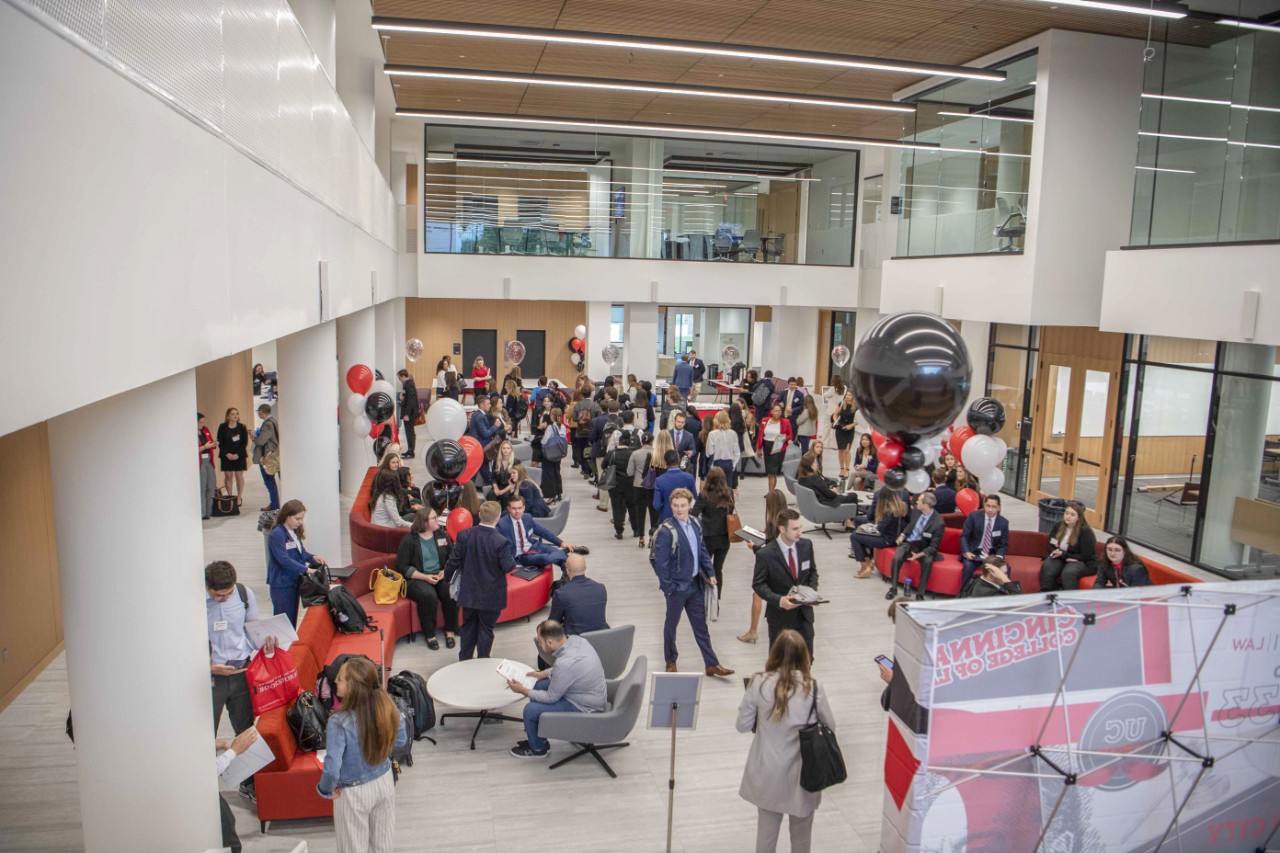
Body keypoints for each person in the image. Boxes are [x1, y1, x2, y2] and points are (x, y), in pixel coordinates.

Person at [736, 629, 835, 853]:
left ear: (774, 653)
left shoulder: (759, 682)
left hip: (767, 773)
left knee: (766, 839)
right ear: (804, 656)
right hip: (803, 777)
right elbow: (831, 726)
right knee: (801, 841)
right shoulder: (813, 688)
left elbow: (742, 725)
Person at [316, 657, 409, 853]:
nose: (335, 682)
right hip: (384, 782)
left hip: (352, 793)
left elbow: (332, 768)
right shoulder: (387, 705)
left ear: (352, 686)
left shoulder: (339, 721)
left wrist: (325, 790)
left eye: (340, 678)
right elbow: (401, 740)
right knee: (383, 846)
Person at [652, 488, 735, 677]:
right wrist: (668, 588)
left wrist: (710, 571)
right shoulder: (667, 531)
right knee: (671, 625)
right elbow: (661, 563)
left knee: (701, 627)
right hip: (677, 588)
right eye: (675, 506)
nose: (679, 509)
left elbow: (702, 550)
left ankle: (711, 663)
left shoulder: (696, 523)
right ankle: (670, 660)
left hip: (695, 584)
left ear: (690, 505)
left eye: (682, 505)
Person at [506, 619, 608, 758]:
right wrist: (542, 674)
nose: (540, 644)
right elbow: (567, 669)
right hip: (585, 691)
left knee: (530, 710)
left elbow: (551, 697)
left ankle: (537, 749)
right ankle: (538, 738)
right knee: (536, 685)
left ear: (549, 642)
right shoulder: (577, 640)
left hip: (584, 705)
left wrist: (522, 690)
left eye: (540, 642)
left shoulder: (564, 664)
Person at [206, 560, 263, 803]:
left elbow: (252, 629)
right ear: (207, 588)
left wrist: (261, 645)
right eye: (219, 595)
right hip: (212, 680)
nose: (224, 599)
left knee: (246, 730)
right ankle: (203, 785)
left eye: (228, 594)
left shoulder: (244, 594)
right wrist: (207, 667)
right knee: (205, 733)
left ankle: (248, 784)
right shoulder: (193, 603)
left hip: (241, 673)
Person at [444, 501, 515, 660]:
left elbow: (453, 561)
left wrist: (447, 579)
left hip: (468, 591)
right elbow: (508, 566)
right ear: (498, 517)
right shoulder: (501, 541)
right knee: (486, 629)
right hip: (491, 595)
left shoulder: (465, 535)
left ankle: (464, 659)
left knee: (468, 627)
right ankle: (483, 660)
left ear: (479, 516)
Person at [751, 510, 819, 658]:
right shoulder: (766, 554)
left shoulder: (806, 546)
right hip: (780, 619)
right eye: (795, 529)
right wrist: (779, 600)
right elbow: (758, 584)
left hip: (804, 616)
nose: (800, 532)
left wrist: (810, 592)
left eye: (801, 527)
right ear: (782, 529)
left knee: (806, 660)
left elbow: (812, 572)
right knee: (779, 664)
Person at [395, 509, 458, 650]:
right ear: (424, 522)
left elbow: (452, 557)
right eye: (434, 518)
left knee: (450, 591)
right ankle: (430, 635)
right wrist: (425, 577)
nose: (438, 520)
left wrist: (444, 571)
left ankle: (450, 631)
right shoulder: (409, 540)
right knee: (428, 596)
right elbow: (402, 567)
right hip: (418, 577)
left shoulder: (441, 534)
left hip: (439, 574)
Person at [266, 499, 328, 625]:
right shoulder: (277, 534)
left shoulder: (292, 532)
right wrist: (307, 570)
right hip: (282, 584)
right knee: (283, 621)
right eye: (297, 518)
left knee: (292, 619)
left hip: (294, 581)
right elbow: (284, 559)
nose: (300, 522)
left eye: (302, 518)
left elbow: (301, 553)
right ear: (286, 516)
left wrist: (312, 557)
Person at [739, 489, 788, 644]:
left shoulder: (773, 522)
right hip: (783, 564)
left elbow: (768, 551)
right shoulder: (786, 519)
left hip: (769, 566)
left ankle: (753, 631)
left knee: (758, 593)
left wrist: (754, 547)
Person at [496, 494, 582, 571]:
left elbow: (543, 532)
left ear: (524, 508)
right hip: (522, 555)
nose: (517, 511)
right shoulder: (502, 524)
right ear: (508, 509)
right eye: (514, 508)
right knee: (545, 559)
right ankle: (564, 551)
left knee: (561, 558)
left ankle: (566, 577)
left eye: (519, 508)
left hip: (535, 546)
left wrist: (561, 543)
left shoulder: (527, 517)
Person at [887, 492, 944, 601]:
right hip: (909, 542)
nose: (916, 501)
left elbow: (933, 546)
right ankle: (893, 588)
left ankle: (920, 593)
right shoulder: (916, 511)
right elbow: (910, 525)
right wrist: (902, 535)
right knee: (896, 558)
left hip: (924, 547)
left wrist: (918, 555)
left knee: (928, 562)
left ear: (926, 505)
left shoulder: (938, 523)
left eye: (919, 500)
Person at [691, 467, 735, 597]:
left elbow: (694, 514)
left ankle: (704, 595)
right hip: (724, 537)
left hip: (708, 537)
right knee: (718, 569)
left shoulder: (704, 495)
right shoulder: (729, 493)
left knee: (705, 568)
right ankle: (717, 598)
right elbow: (730, 511)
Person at [850, 488, 910, 579]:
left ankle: (864, 566)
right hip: (896, 536)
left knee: (854, 536)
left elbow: (881, 528)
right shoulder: (902, 506)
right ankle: (868, 563)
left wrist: (872, 527)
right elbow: (909, 521)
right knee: (858, 534)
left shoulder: (889, 512)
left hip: (887, 539)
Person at [1040, 501, 1099, 591]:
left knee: (1068, 573)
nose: (1068, 516)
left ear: (1078, 517)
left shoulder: (1085, 532)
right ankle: (1049, 594)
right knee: (1048, 566)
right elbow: (1050, 544)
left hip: (1083, 561)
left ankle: (1070, 598)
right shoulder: (1058, 526)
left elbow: (1086, 556)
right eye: (1066, 513)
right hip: (1062, 557)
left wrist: (1065, 555)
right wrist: (1054, 551)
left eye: (1072, 515)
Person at [548, 555, 608, 636]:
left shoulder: (561, 593)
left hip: (576, 641)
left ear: (567, 570)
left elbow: (553, 623)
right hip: (601, 638)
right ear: (585, 568)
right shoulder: (601, 588)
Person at [960, 494, 1010, 590]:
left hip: (992, 554)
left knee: (1006, 567)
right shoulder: (973, 516)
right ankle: (963, 594)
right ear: (984, 505)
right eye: (988, 506)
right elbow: (964, 536)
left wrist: (999, 557)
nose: (990, 509)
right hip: (974, 552)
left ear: (999, 507)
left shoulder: (1003, 523)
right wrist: (966, 551)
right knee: (968, 566)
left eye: (994, 506)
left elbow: (1003, 545)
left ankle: (1001, 594)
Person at [605, 411, 643, 540]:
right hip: (632, 479)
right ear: (633, 419)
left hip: (615, 480)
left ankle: (619, 530)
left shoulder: (616, 433)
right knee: (633, 505)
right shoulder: (639, 433)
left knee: (617, 507)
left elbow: (608, 452)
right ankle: (636, 529)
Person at [757, 402, 794, 494]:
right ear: (771, 412)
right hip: (767, 446)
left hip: (778, 447)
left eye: (780, 411)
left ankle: (771, 493)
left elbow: (790, 435)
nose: (778, 413)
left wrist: (785, 438)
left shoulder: (785, 422)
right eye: (776, 411)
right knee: (769, 472)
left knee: (773, 472)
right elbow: (761, 435)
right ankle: (771, 492)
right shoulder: (765, 420)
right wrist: (759, 448)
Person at [216, 407, 249, 506]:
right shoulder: (222, 427)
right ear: (228, 416)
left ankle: (239, 497)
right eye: (233, 414)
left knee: (239, 476)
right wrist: (227, 454)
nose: (235, 416)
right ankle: (230, 496)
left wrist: (237, 454)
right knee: (228, 476)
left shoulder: (242, 427)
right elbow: (220, 442)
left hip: (239, 455)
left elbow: (244, 442)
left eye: (237, 414)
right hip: (226, 456)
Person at [653, 450, 696, 525]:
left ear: (665, 462)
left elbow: (657, 505)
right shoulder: (689, 478)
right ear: (679, 460)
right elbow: (694, 499)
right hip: (685, 517)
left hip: (667, 519)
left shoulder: (659, 481)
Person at [251, 403, 280, 512]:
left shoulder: (267, 424)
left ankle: (275, 505)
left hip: (268, 457)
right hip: (274, 455)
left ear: (261, 411)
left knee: (269, 481)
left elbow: (261, 441)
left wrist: (253, 437)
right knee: (271, 481)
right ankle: (274, 504)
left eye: (258, 411)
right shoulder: (273, 421)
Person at [466, 395, 501, 485]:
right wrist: (495, 426)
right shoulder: (481, 417)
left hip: (477, 448)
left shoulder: (475, 414)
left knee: (480, 472)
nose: (490, 406)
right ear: (482, 405)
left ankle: (469, 490)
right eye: (488, 404)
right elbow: (485, 434)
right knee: (480, 473)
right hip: (481, 448)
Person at [704, 410, 741, 491]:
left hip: (717, 463)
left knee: (716, 488)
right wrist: (734, 464)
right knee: (728, 488)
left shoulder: (712, 434)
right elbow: (737, 452)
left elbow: (709, 452)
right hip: (729, 463)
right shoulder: (733, 433)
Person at [540, 406, 566, 503]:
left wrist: (542, 444)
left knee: (548, 473)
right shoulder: (562, 427)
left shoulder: (550, 427)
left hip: (550, 453)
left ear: (552, 416)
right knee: (557, 471)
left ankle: (551, 495)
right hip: (559, 452)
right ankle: (559, 492)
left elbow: (545, 440)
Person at [831, 391, 858, 479]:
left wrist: (851, 425)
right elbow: (835, 415)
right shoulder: (842, 403)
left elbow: (858, 420)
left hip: (850, 429)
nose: (847, 396)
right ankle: (842, 468)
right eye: (847, 394)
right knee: (840, 450)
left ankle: (847, 469)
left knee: (847, 450)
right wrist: (836, 421)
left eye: (850, 395)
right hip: (840, 428)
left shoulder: (856, 407)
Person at [487, 439, 518, 509]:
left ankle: (504, 515)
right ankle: (492, 513)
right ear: (501, 449)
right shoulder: (496, 460)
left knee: (505, 496)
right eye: (503, 448)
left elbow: (515, 481)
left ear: (511, 450)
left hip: (510, 487)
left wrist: (502, 491)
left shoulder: (516, 462)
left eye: (508, 448)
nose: (505, 450)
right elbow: (493, 477)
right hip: (498, 485)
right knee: (491, 494)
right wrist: (495, 488)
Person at [395, 370, 420, 458]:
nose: (399, 380)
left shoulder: (409, 384)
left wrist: (407, 414)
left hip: (409, 413)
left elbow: (411, 401)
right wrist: (404, 397)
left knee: (410, 433)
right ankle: (410, 450)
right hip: (410, 412)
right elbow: (410, 397)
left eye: (399, 378)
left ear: (402, 376)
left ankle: (411, 452)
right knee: (409, 432)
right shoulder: (409, 384)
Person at [198, 413, 218, 519]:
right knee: (202, 487)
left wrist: (213, 444)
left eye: (203, 422)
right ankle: (202, 513)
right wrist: (204, 446)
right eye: (201, 422)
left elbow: (209, 442)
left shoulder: (205, 430)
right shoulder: (191, 432)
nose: (203, 424)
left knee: (211, 486)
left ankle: (209, 511)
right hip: (200, 462)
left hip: (209, 460)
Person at [820, 377, 844, 447]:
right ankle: (834, 445)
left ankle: (824, 443)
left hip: (830, 410)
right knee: (835, 428)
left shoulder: (832, 388)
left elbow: (825, 395)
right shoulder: (842, 389)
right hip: (838, 410)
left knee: (827, 427)